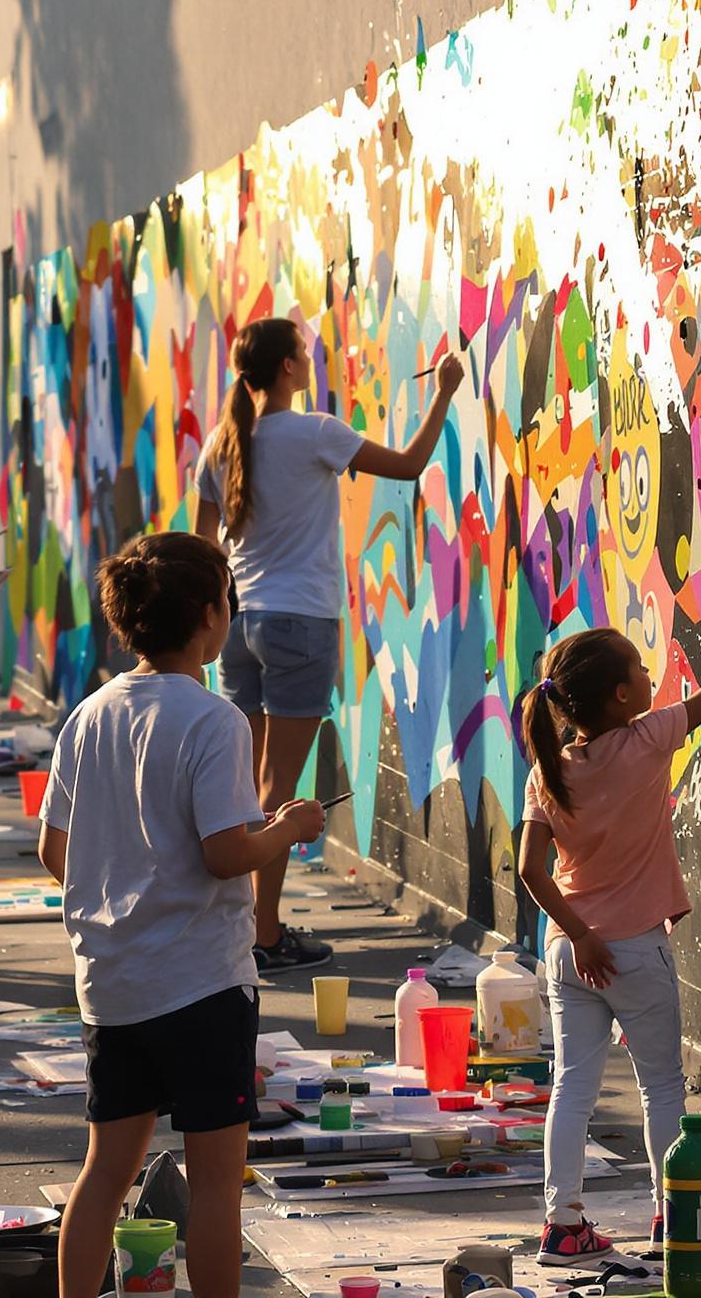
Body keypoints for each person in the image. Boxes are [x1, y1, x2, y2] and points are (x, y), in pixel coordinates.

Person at [38, 531, 325, 1298]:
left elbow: (53, 850)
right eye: (229, 601)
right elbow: (225, 854)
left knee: (105, 1172)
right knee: (216, 1186)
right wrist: (289, 828)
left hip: (113, 982)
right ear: (210, 615)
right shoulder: (214, 718)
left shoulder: (91, 713)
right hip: (200, 983)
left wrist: (123, 877)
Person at [516, 561, 701, 1262]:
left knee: (571, 1087)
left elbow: (528, 871)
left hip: (569, 954)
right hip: (636, 950)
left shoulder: (549, 771)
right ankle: (672, 1220)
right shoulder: (648, 741)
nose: (651, 676)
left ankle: (562, 1223)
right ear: (619, 696)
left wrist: (578, 933)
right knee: (662, 1086)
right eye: (642, 670)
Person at [195, 316, 464, 972]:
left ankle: (241, 928)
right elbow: (407, 466)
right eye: (305, 353)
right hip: (300, 624)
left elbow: (200, 550)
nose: (312, 360)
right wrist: (446, 391)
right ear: (287, 367)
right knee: (279, 792)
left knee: (249, 785)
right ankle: (261, 937)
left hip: (238, 623)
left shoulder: (222, 442)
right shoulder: (315, 431)